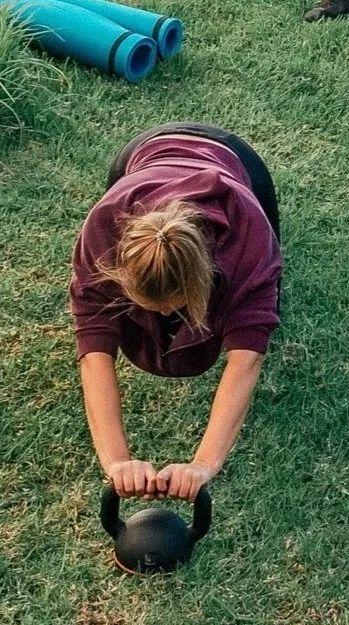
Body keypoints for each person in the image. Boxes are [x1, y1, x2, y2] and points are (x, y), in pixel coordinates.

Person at [71, 124, 283, 501]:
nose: (170, 315)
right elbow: (93, 352)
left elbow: (246, 360)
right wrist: (116, 461)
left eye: (179, 305)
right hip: (141, 156)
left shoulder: (248, 236)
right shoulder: (103, 230)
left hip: (236, 161)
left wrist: (204, 463)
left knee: (267, 304)